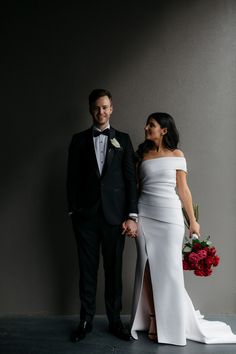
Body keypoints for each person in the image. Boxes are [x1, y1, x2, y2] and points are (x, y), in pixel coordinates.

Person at [129, 112, 236, 346]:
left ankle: (173, 323)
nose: (147, 127)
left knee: (170, 272)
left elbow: (183, 190)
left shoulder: (177, 155)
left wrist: (193, 220)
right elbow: (134, 188)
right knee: (146, 266)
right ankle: (154, 318)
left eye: (152, 125)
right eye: (147, 124)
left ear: (164, 130)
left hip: (170, 217)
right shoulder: (142, 155)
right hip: (145, 215)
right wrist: (132, 217)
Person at [67, 89, 138, 342]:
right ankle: (85, 320)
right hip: (85, 218)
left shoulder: (124, 140)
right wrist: (73, 211)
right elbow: (71, 179)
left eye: (105, 107)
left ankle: (115, 321)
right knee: (87, 271)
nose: (101, 112)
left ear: (112, 108)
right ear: (90, 109)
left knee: (114, 271)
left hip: (115, 218)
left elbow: (131, 180)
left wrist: (132, 215)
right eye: (97, 108)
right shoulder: (78, 140)